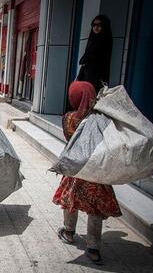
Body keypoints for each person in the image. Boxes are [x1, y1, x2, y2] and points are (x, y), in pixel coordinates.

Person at [52, 81, 122, 264]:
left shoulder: (68, 118)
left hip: (76, 170)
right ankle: (93, 248)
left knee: (70, 201)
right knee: (95, 209)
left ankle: (68, 232)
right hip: (96, 172)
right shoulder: (100, 121)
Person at [77, 15, 113, 93]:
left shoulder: (104, 41)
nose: (96, 28)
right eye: (94, 25)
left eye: (99, 25)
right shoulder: (93, 39)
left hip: (97, 78)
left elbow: (101, 61)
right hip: (87, 76)